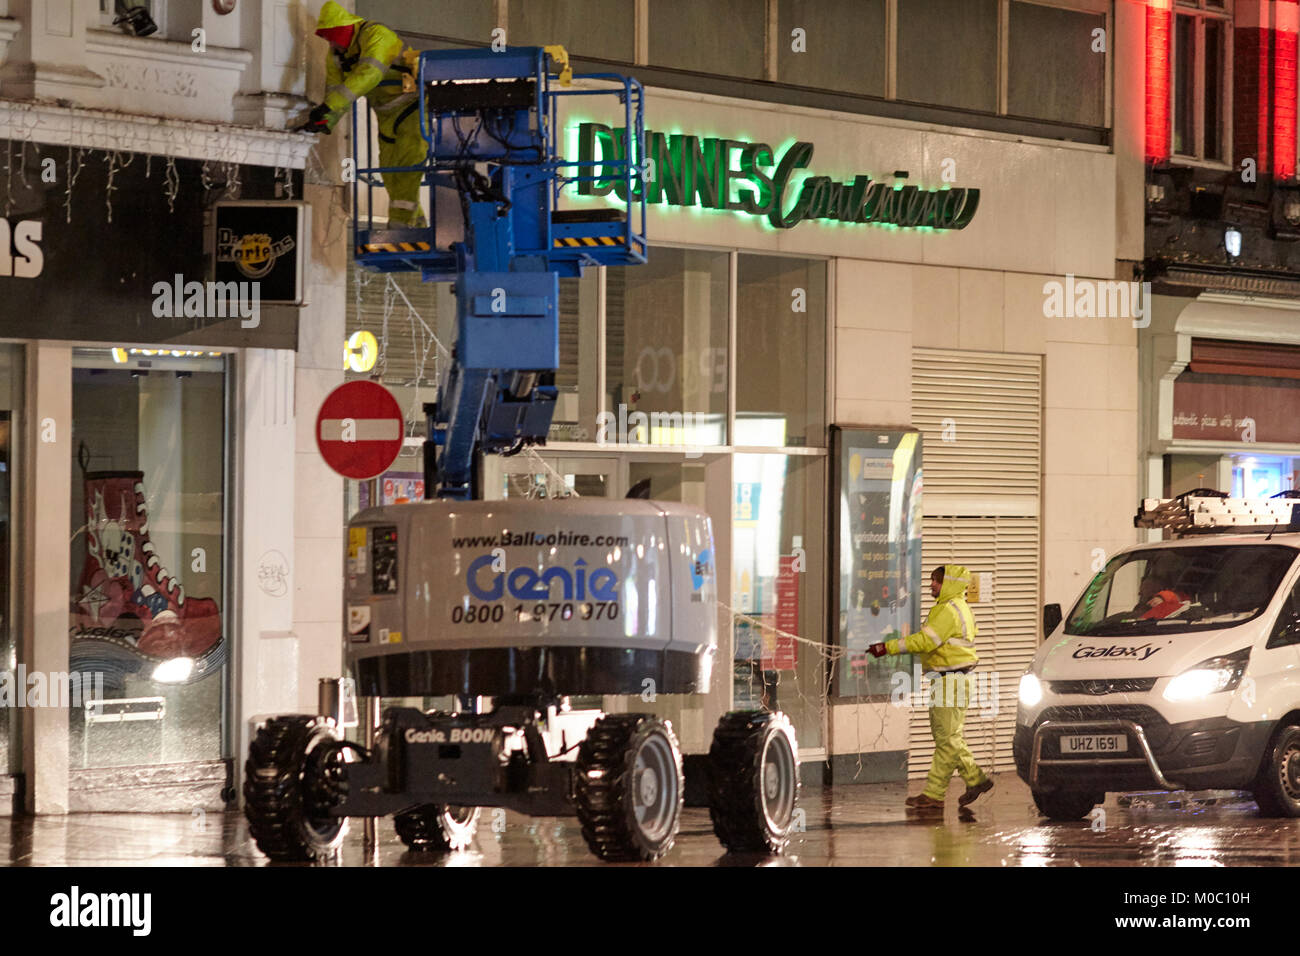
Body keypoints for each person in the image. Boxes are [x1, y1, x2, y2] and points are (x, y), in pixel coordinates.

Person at [868, 564, 993, 810]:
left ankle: (934, 795)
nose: (931, 585)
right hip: (949, 680)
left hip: (950, 681)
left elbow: (925, 641)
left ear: (948, 583)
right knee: (948, 737)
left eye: (936, 581)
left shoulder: (947, 610)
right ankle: (975, 779)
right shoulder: (958, 607)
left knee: (947, 739)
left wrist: (887, 647)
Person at [301, 1, 427, 227]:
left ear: (344, 29)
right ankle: (416, 225)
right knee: (389, 170)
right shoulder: (336, 56)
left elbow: (370, 74)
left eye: (332, 36)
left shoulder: (377, 35)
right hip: (386, 115)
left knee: (408, 166)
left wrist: (329, 106)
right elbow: (335, 91)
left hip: (414, 107)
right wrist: (325, 118)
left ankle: (400, 227)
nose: (330, 42)